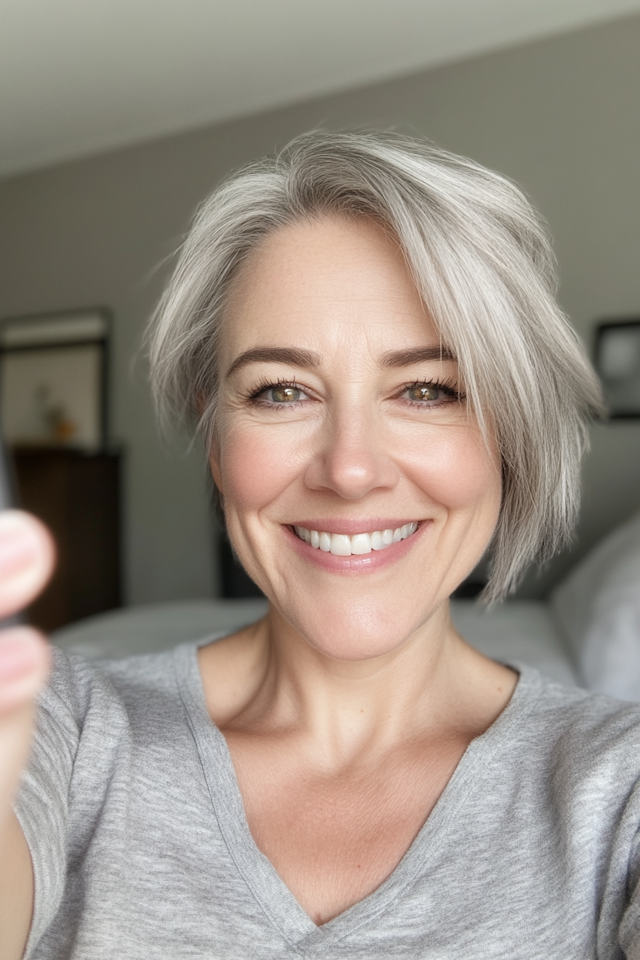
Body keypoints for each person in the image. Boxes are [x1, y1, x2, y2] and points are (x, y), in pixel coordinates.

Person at [0, 131, 637, 959]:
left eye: (427, 389)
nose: (350, 468)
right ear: (214, 429)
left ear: (510, 434)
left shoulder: (616, 789)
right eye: (281, 391)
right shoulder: (61, 728)